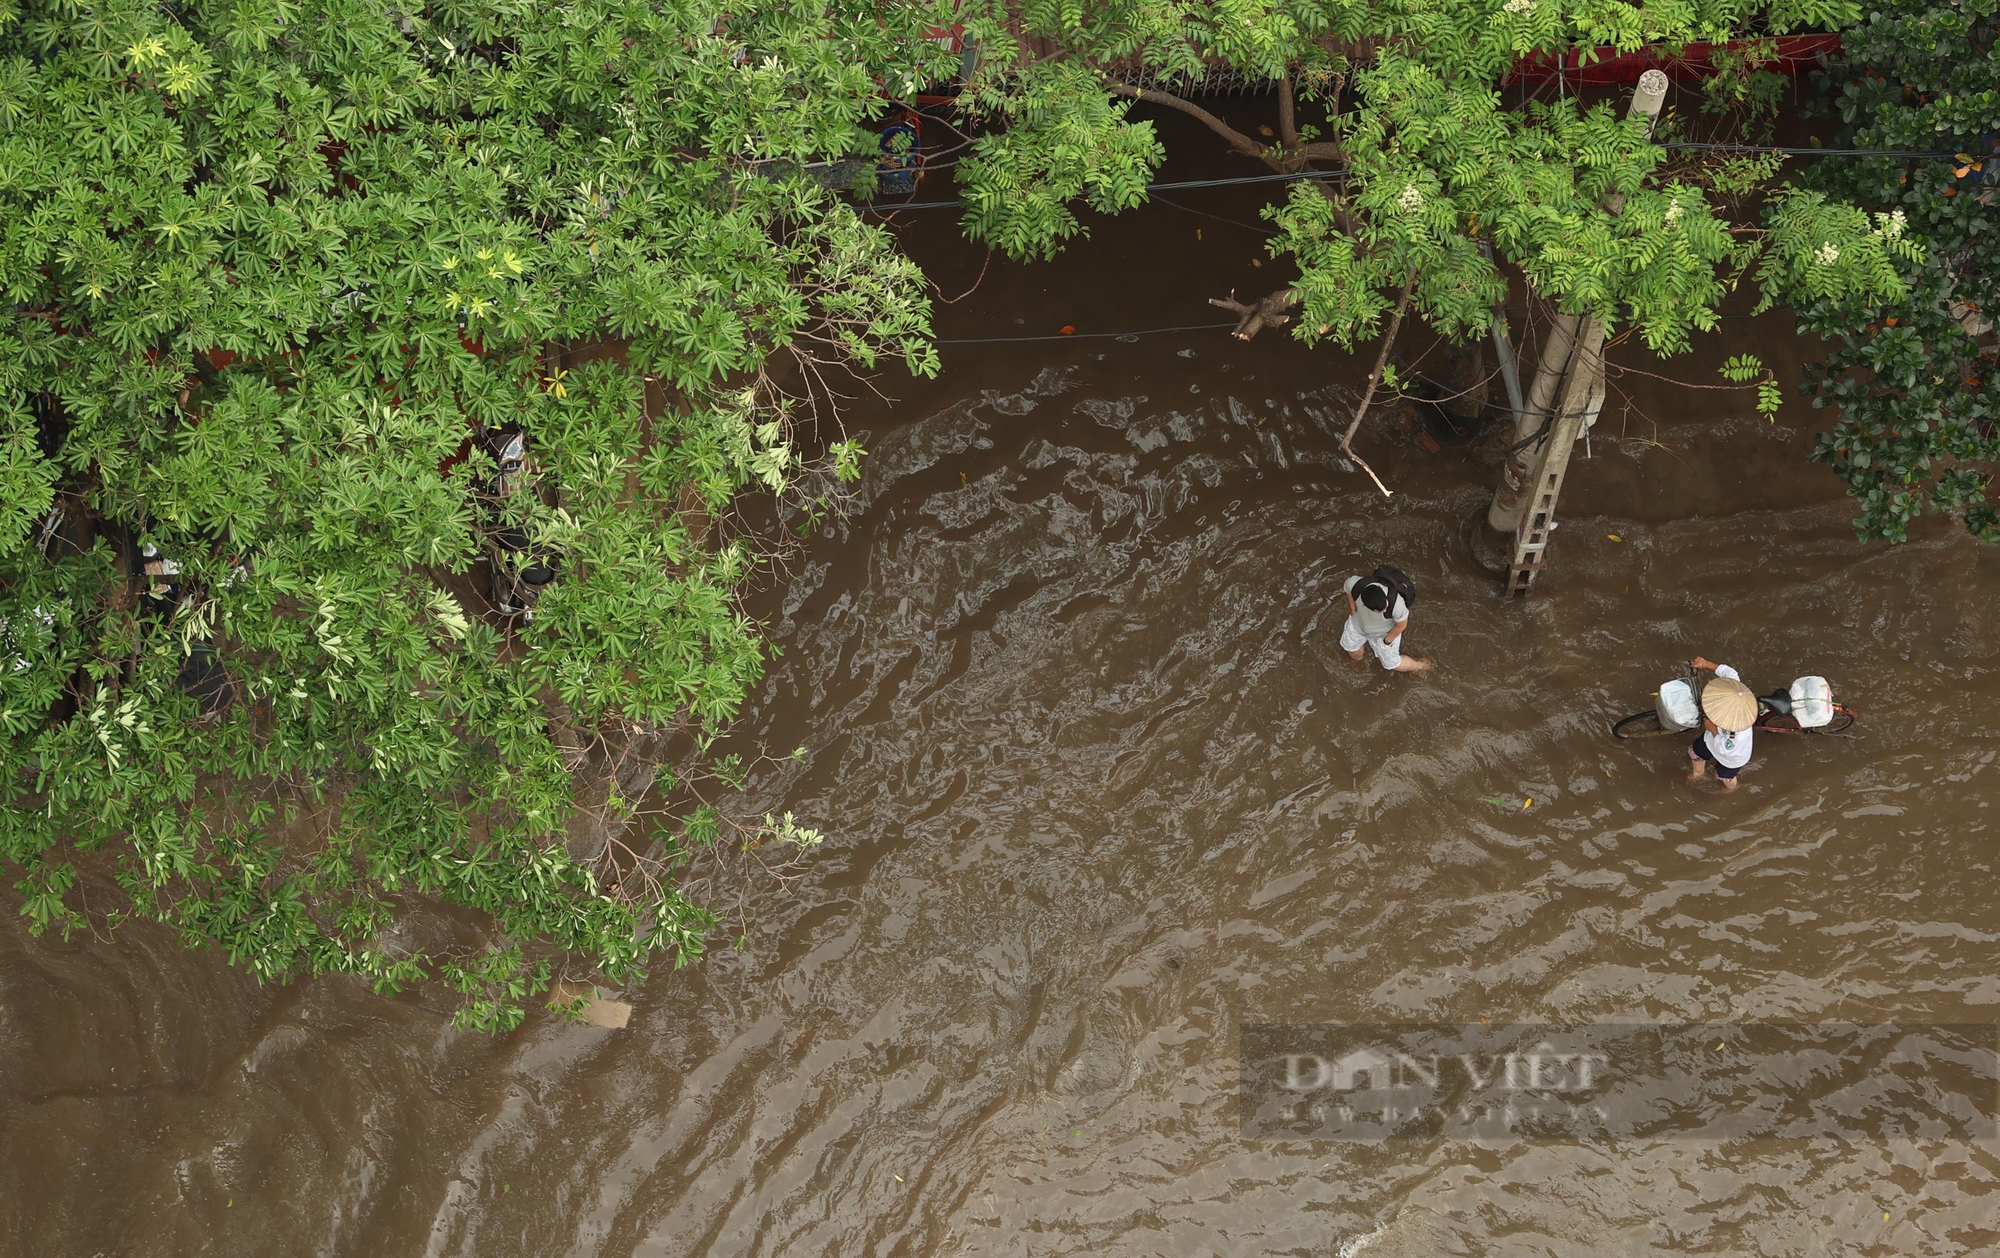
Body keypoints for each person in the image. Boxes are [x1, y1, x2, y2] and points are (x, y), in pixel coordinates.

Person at [1686, 656, 1756, 791]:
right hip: (1711, 739)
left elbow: (1726, 749)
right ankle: (1698, 774)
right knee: (1697, 752)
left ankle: (1733, 790)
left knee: (1725, 775)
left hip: (1730, 758)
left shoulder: (1739, 733)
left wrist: (1713, 729)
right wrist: (1706, 664)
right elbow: (1730, 673)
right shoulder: (1735, 690)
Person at [1340, 571, 1429, 674]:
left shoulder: (1397, 605)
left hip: (1384, 634)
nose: (1386, 610)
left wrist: (1387, 641)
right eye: (1381, 611)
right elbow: (1348, 587)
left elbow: (1401, 625)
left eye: (1385, 605)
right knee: (1352, 649)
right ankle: (1358, 660)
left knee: (1392, 664)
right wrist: (1353, 610)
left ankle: (1419, 666)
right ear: (1365, 605)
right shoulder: (1356, 584)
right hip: (1358, 626)